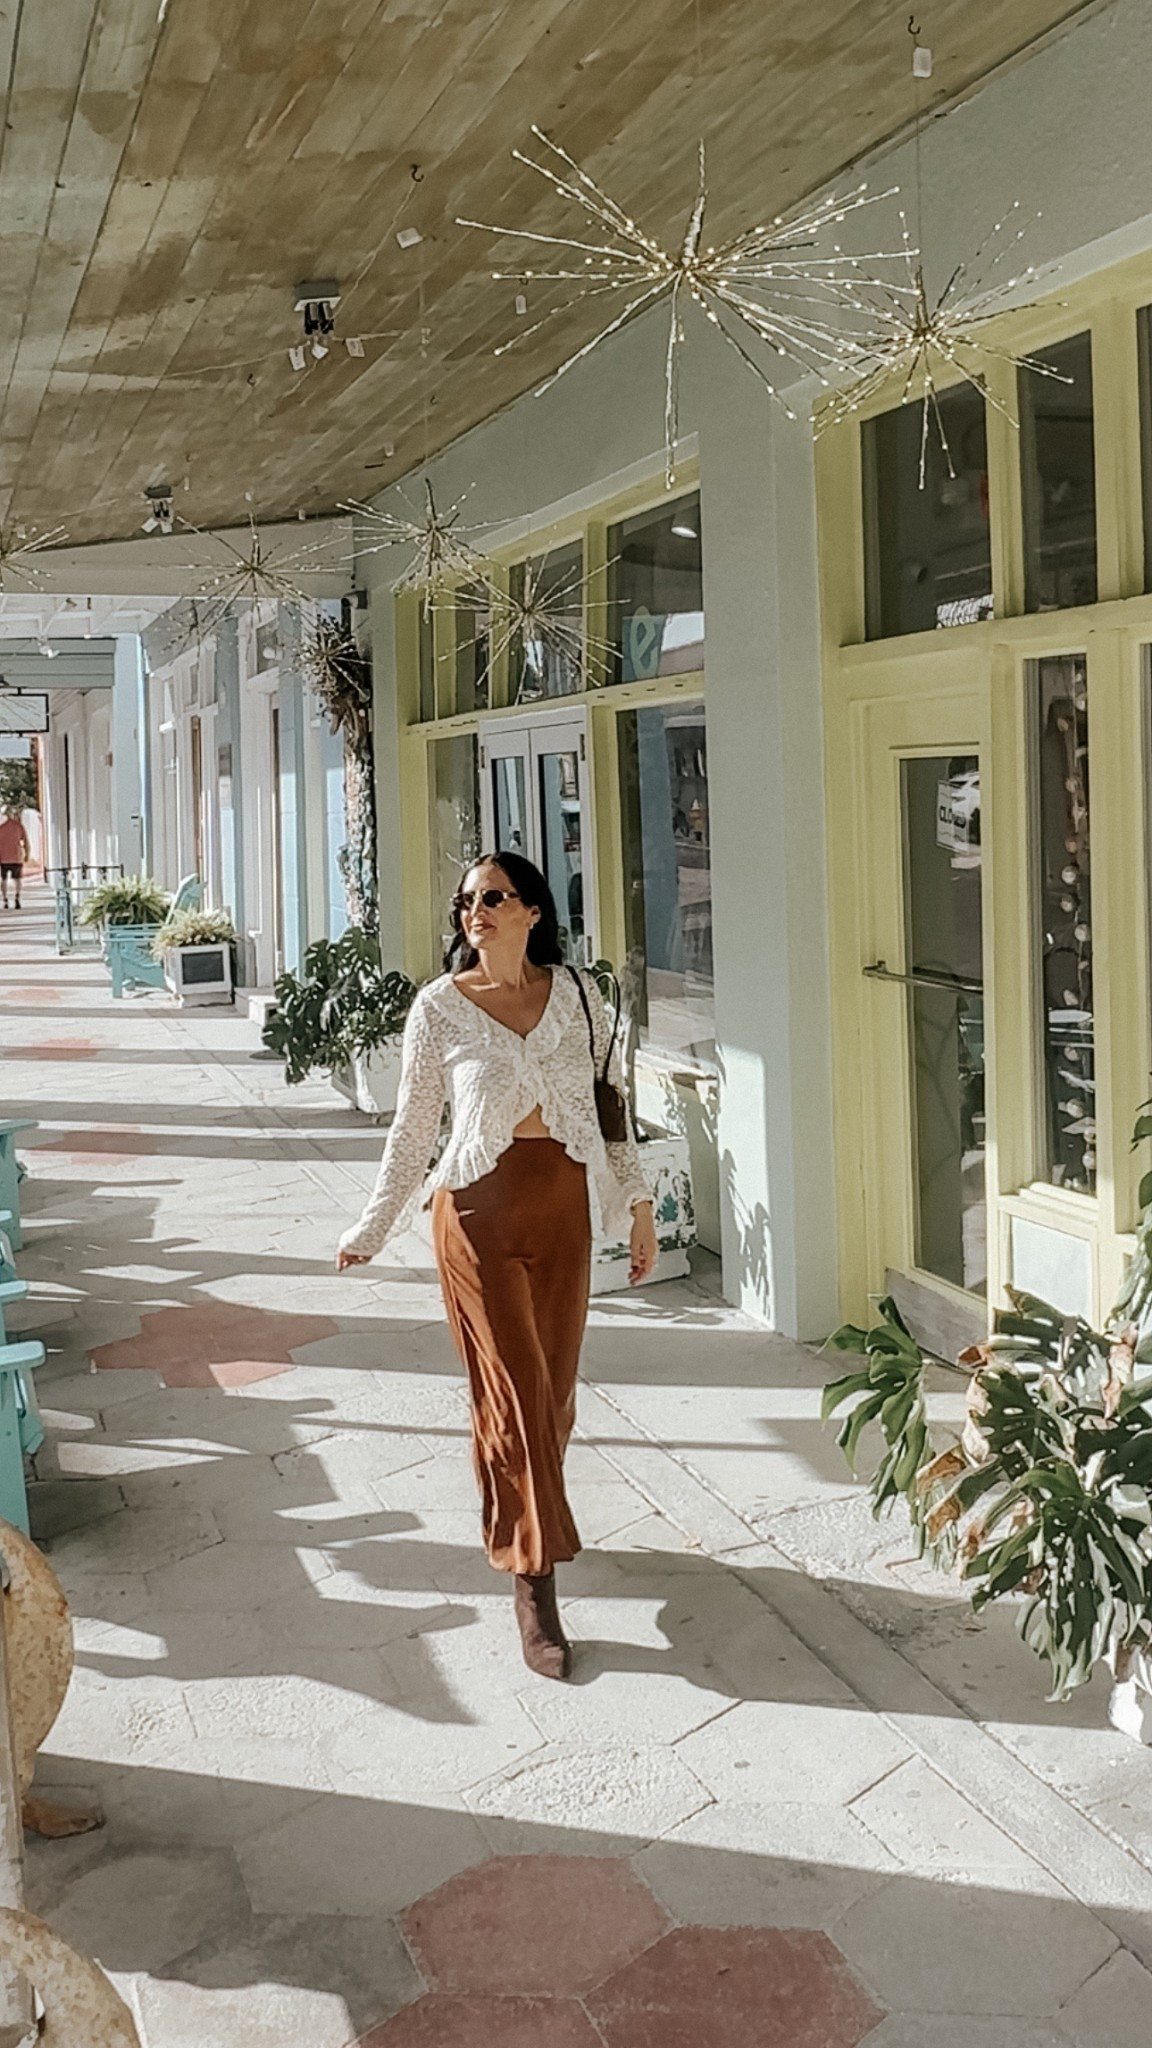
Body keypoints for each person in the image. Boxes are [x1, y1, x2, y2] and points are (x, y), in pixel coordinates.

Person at [336, 851, 657, 1680]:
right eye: (465, 902)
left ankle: (522, 1529)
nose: (473, 912)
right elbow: (414, 1131)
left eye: (492, 898)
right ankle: (534, 1588)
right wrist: (374, 1224)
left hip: (562, 1214)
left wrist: (642, 1206)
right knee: (512, 1399)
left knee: (548, 1402)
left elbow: (610, 1103)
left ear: (532, 912)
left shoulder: (580, 996)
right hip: (473, 1216)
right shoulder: (440, 1007)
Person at [0, 807, 29, 910]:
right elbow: (26, 842)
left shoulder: (1, 828)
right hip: (16, 857)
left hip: (3, 858)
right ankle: (17, 897)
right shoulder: (19, 827)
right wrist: (27, 855)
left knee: (3, 879)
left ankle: (5, 899)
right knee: (17, 879)